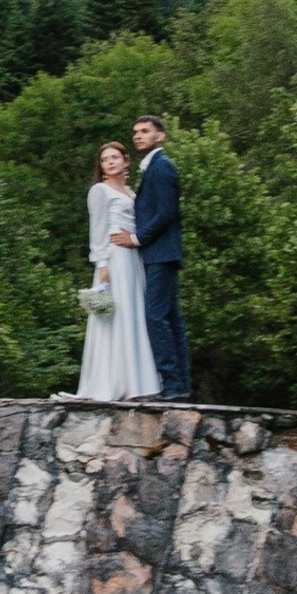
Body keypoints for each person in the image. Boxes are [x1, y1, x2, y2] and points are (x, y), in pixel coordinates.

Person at [107, 113, 190, 400]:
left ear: (161, 135)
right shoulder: (152, 168)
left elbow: (167, 213)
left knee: (155, 317)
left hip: (161, 253)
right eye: (135, 132)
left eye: (144, 131)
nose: (138, 135)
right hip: (160, 253)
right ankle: (179, 384)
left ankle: (172, 384)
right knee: (170, 318)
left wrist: (137, 238)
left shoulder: (162, 167)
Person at [76, 141, 160, 401]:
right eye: (105, 159)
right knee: (116, 314)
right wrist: (101, 264)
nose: (110, 162)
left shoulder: (130, 192)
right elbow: (98, 229)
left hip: (132, 258)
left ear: (126, 161)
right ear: (101, 167)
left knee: (133, 313)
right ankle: (111, 380)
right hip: (113, 258)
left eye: (115, 157)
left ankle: (137, 381)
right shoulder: (99, 191)